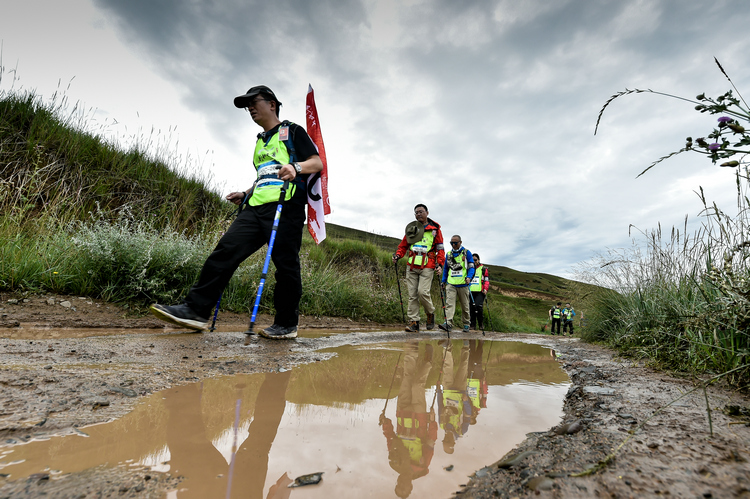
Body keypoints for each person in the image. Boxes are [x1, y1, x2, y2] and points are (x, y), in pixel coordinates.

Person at [150, 85, 323, 340]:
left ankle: (287, 324)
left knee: (286, 266)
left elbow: (316, 162)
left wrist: (296, 167)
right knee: (225, 251)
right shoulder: (260, 142)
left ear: (272, 104)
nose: (250, 108)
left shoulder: (291, 131)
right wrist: (246, 193)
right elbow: (264, 176)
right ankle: (195, 311)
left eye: (254, 102)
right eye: (247, 105)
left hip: (286, 206)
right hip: (254, 207)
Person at [393, 204, 445, 332]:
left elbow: (440, 249)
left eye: (421, 211)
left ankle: (430, 313)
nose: (418, 214)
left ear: (427, 212)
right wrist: (398, 255)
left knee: (422, 292)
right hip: (411, 265)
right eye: (416, 212)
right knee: (412, 295)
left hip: (428, 265)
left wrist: (440, 264)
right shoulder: (412, 228)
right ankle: (414, 322)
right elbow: (403, 246)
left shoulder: (435, 230)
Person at [439, 235, 475, 332]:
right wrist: (443, 281)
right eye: (451, 243)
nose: (453, 245)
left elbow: (471, 267)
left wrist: (469, 277)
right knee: (449, 304)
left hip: (463, 284)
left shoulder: (467, 253)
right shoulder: (449, 254)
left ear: (460, 242)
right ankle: (448, 323)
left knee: (465, 305)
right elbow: (446, 269)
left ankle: (466, 323)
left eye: (455, 243)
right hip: (451, 283)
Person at [468, 254, 489, 331]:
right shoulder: (469, 268)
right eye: (473, 260)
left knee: (478, 306)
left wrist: (485, 288)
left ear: (479, 260)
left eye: (475, 260)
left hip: (480, 291)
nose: (474, 261)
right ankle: (472, 325)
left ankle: (481, 323)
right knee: (471, 307)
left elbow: (486, 280)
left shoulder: (483, 269)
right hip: (470, 291)